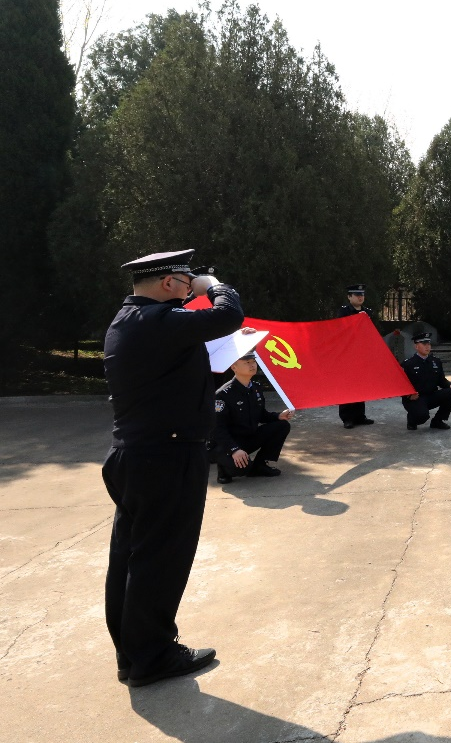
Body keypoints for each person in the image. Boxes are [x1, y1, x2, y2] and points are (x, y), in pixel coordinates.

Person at [102, 250, 243, 687]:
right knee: (161, 559)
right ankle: (154, 657)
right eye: (185, 282)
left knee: (132, 558)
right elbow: (229, 314)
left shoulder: (129, 320)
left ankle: (133, 655)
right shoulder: (157, 320)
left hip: (138, 456)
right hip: (166, 457)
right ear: (168, 283)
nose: (189, 290)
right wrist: (213, 286)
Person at [211, 353, 294, 484]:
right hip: (229, 443)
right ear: (234, 367)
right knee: (241, 469)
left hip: (249, 437)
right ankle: (223, 469)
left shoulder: (256, 387)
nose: (252, 365)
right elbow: (217, 429)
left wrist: (278, 416)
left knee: (282, 425)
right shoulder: (223, 394)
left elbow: (261, 414)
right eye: (247, 363)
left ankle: (260, 465)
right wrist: (234, 450)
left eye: (253, 362)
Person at [401, 332, 451, 430]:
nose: (427, 346)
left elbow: (442, 380)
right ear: (416, 346)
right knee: (422, 416)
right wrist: (409, 395)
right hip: (415, 398)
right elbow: (401, 385)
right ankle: (411, 419)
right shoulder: (408, 364)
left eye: (428, 344)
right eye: (424, 344)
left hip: (431, 396)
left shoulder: (435, 361)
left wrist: (450, 385)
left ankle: (437, 421)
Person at [337, 284, 375, 429]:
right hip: (347, 354)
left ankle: (360, 416)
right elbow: (340, 330)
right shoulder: (344, 312)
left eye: (362, 295)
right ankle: (347, 418)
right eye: (357, 295)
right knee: (347, 385)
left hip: (362, 354)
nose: (360, 297)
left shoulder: (368, 312)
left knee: (361, 385)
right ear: (349, 297)